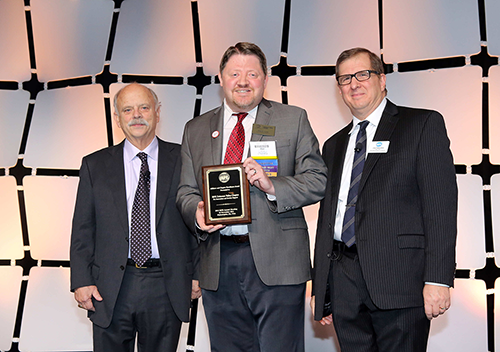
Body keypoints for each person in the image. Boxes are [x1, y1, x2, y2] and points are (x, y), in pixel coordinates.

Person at [176, 42, 327, 352]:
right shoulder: (196, 129)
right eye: (234, 73)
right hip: (218, 262)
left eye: (252, 74)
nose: (242, 81)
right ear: (221, 78)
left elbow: (317, 180)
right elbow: (185, 191)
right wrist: (197, 212)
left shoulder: (292, 119)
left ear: (265, 79)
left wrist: (272, 186)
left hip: (279, 260)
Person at [311, 47, 458, 352]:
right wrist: (322, 286)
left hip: (402, 281)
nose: (354, 84)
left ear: (382, 79)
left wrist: (439, 279)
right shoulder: (333, 145)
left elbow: (440, 209)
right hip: (344, 282)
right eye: (345, 78)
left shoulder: (421, 125)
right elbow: (328, 218)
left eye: (362, 74)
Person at [70, 83, 200, 352]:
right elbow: (83, 228)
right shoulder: (94, 165)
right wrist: (81, 280)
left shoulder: (185, 160)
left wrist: (199, 273)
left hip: (167, 283)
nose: (136, 115)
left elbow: (196, 222)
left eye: (144, 107)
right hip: (110, 286)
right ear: (117, 118)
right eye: (127, 109)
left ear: (157, 112)